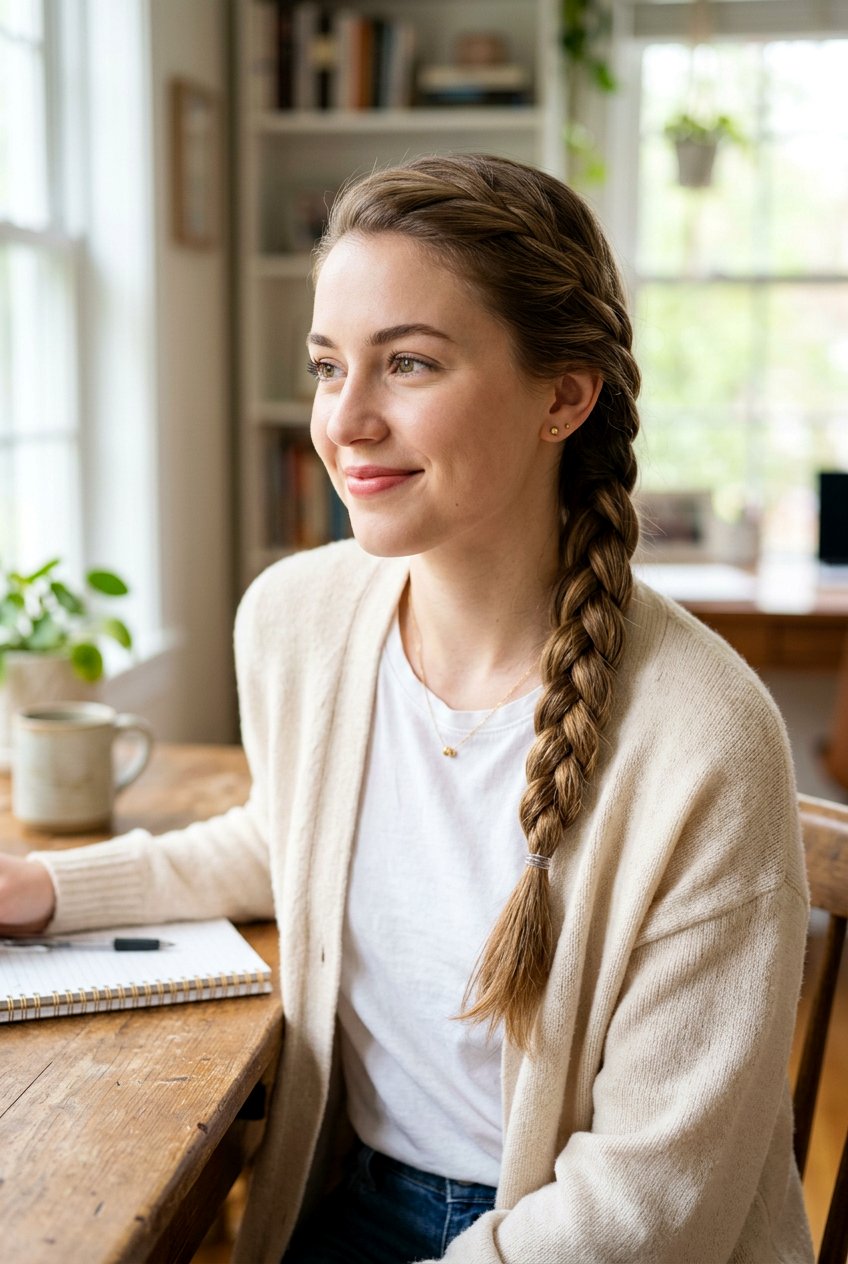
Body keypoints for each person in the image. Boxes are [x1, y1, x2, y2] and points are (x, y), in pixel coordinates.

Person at [0, 153, 813, 1264]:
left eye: (409, 363)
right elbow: (298, 839)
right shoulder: (294, 619)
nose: (345, 421)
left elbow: (652, 1206)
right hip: (348, 1192)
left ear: (563, 395)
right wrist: (43, 889)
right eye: (328, 366)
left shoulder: (702, 735)